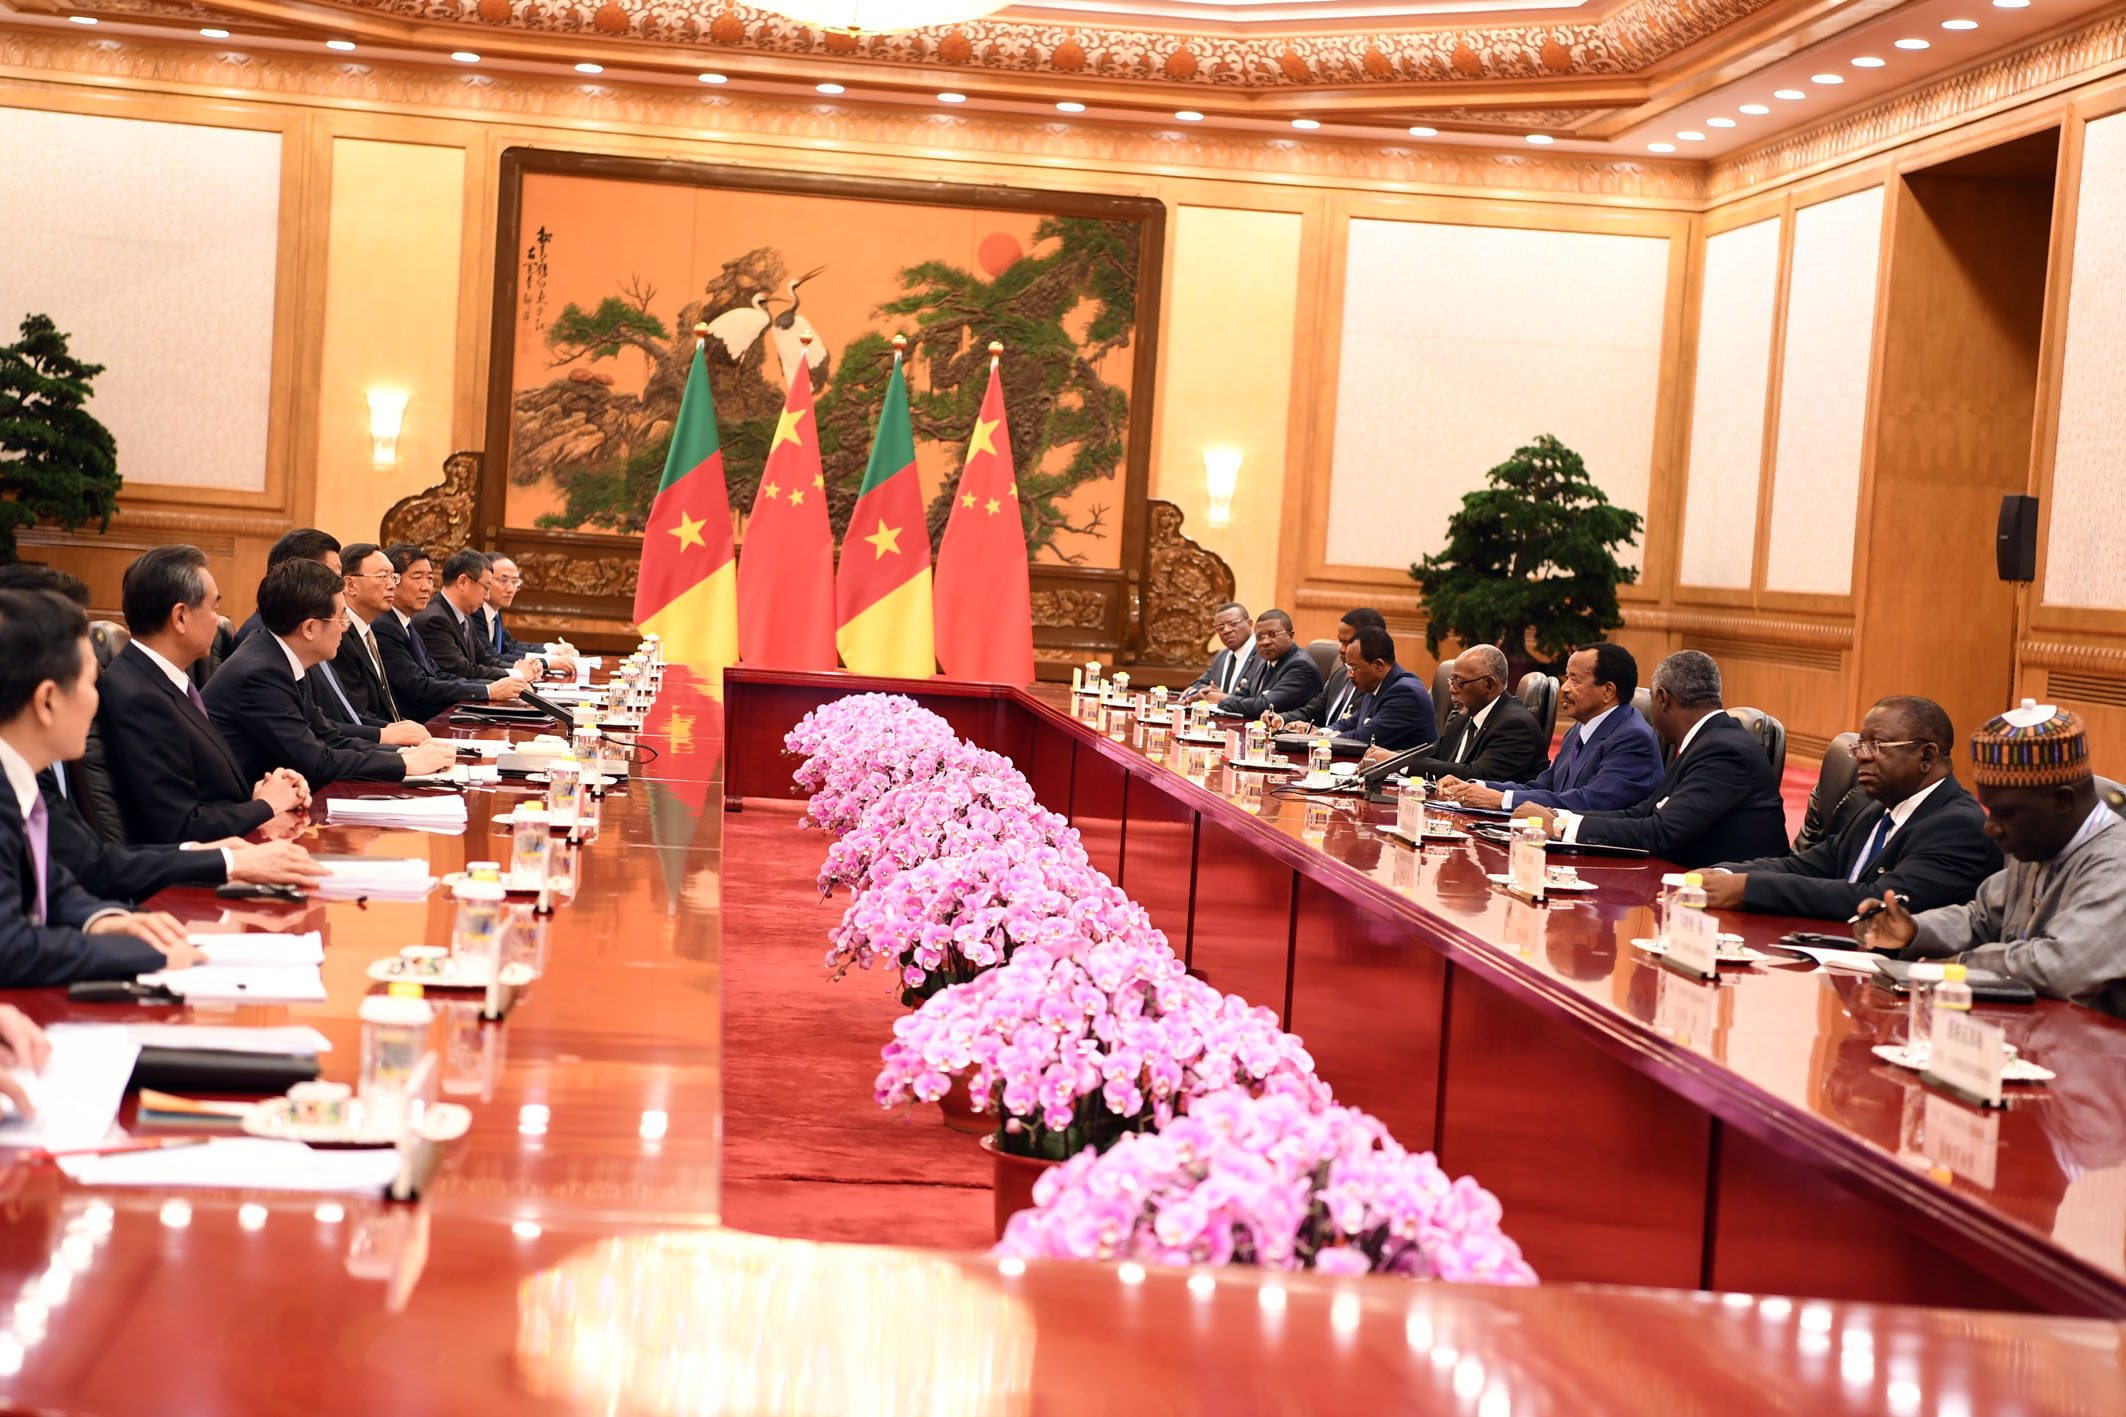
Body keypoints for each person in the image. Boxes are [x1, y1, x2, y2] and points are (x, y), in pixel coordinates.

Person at [9, 562, 323, 899]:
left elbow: (84, 866)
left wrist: (253, 807)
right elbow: (163, 830)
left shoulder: (32, 768)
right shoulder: (137, 693)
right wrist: (252, 821)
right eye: (87, 682)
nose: (95, 698)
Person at [1859, 702, 2126, 1018]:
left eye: (2004, 813)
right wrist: (1914, 929)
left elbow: (2059, 967)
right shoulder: (2037, 841)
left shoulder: (2116, 861)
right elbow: (1981, 919)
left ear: (2062, 800)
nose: (1990, 828)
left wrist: (1959, 965)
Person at [0, 588, 205, 986]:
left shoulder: (15, 781)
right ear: (47, 701)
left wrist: (105, 921)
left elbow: (50, 881)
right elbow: (9, 946)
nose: (99, 700)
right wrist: (148, 953)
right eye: (92, 682)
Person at [1701, 696, 1998, 918]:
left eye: (1876, 746)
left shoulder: (1956, 825)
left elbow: (1879, 900)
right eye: (1860, 747)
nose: (1862, 757)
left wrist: (1747, 889)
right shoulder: (1875, 811)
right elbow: (1804, 865)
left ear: (1926, 756)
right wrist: (1723, 874)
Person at [98, 545, 310, 844]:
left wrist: (264, 794)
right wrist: (267, 805)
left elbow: (203, 790)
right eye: (214, 608)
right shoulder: (140, 697)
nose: (217, 619)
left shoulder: (164, 680)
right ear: (181, 617)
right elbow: (181, 826)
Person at [1512, 650, 1787, 869]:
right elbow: (1642, 812)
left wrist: (1560, 826)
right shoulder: (1708, 741)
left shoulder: (1724, 751)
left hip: (1735, 908)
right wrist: (1556, 816)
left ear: (1662, 699)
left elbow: (1660, 832)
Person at [205, 560, 457, 789]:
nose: (346, 627)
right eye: (341, 617)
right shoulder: (261, 674)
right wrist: (406, 766)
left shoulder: (279, 655)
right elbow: (315, 760)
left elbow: (327, 736)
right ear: (310, 628)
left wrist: (401, 754)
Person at [1436, 642, 1660, 813]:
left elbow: (1590, 802)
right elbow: (1545, 786)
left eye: (1575, 679)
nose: (1565, 688)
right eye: (1566, 677)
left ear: (1608, 691)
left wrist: (1501, 800)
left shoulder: (1632, 737)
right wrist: (1476, 787)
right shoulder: (1578, 730)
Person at [371, 543, 526, 722]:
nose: (426, 587)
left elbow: (438, 674)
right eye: (417, 577)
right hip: (413, 724)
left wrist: (492, 687)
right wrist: (488, 690)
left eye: (430, 578)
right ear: (394, 580)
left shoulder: (406, 623)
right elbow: (419, 687)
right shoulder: (387, 625)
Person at [1382, 644, 1548, 784]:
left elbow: (1475, 776)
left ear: (1489, 684)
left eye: (1459, 682)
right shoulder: (1463, 715)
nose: (1452, 689)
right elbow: (1433, 753)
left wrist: (1398, 763)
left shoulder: (1515, 725)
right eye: (1451, 680)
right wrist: (1392, 758)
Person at [416, 550, 541, 684]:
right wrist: (517, 674)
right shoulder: (435, 620)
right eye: (486, 588)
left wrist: (520, 669)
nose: (487, 596)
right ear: (463, 582)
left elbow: (485, 659)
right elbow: (462, 670)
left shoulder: (466, 617)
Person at [1264, 608, 1385, 733]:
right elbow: (1312, 712)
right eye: (1340, 642)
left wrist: (1319, 733)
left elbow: (1358, 732)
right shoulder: (1340, 675)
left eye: (1348, 643)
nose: (1341, 650)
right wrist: (1281, 719)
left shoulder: (1379, 685)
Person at [1318, 625, 1434, 752]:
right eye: (1348, 667)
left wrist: (1328, 739)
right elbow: (1350, 723)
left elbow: (1365, 738)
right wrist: (1321, 733)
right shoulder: (1375, 685)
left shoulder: (1406, 694)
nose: (1349, 675)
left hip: (1410, 771)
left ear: (1378, 665)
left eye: (1354, 668)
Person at [231, 528, 342, 647]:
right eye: (333, 578)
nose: (341, 588)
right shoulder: (264, 637)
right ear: (299, 574)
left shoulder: (312, 629)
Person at [1213, 610, 1322, 720]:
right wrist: (1220, 698)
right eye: (1259, 637)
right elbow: (1243, 694)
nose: (1265, 642)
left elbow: (1266, 706)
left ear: (1290, 635)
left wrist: (1221, 700)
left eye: (1273, 634)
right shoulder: (1266, 660)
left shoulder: (1300, 666)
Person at [481, 555, 574, 676]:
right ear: (485, 581)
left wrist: (551, 649)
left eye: (515, 582)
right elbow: (490, 659)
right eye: (503, 580)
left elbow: (511, 646)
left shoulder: (495, 613)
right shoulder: (474, 614)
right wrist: (547, 662)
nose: (510, 589)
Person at [1179, 603, 1254, 705]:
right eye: (1220, 628)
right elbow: (1199, 684)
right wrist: (1203, 691)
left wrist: (1223, 698)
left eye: (1233, 623)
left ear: (1249, 624)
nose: (1226, 630)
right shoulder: (1222, 656)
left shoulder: (1263, 656)